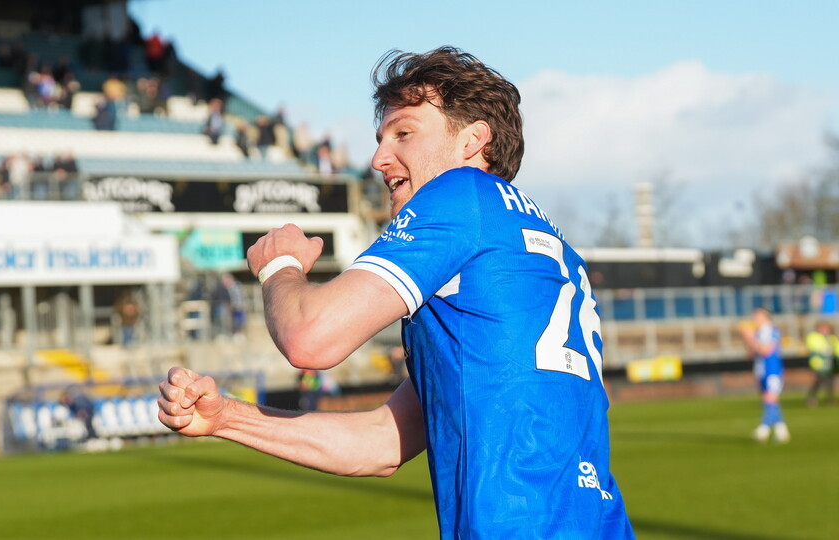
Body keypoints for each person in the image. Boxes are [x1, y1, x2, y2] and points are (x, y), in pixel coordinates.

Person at [157, 47, 633, 538]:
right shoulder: (532, 247)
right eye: (381, 138)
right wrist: (227, 418)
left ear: (473, 141)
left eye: (403, 133)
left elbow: (309, 337)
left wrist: (279, 266)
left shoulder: (460, 193)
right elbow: (381, 444)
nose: (379, 159)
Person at [740, 307, 790, 443]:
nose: (754, 318)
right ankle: (781, 429)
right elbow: (749, 354)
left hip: (773, 370)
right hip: (761, 370)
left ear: (765, 317)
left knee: (770, 399)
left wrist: (751, 338)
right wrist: (748, 340)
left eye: (756, 315)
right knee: (770, 401)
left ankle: (764, 428)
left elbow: (766, 350)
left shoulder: (772, 331)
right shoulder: (758, 332)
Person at [804, 321, 837, 407]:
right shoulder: (813, 336)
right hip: (818, 363)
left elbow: (836, 348)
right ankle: (812, 397)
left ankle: (830, 398)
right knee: (819, 380)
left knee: (830, 381)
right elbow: (813, 346)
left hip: (829, 363)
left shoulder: (831, 338)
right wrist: (824, 349)